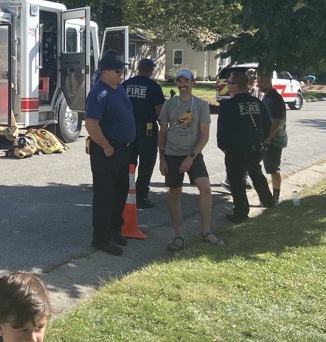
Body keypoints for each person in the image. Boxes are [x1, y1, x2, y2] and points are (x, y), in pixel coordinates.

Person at [157, 68, 224, 250]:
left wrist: (191, 157)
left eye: (186, 81)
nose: (183, 85)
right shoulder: (169, 105)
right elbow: (162, 131)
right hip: (171, 155)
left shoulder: (201, 106)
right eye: (179, 81)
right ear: (176, 84)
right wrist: (161, 158)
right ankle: (178, 236)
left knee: (205, 188)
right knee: (174, 193)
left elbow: (204, 136)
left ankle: (206, 231)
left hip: (193, 155)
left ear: (193, 83)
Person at [84, 52, 136, 255]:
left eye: (122, 69)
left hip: (123, 148)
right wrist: (106, 147)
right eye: (118, 70)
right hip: (107, 150)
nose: (122, 73)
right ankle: (100, 238)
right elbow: (91, 124)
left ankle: (115, 229)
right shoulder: (99, 93)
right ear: (105, 72)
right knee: (105, 195)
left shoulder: (118, 87)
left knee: (121, 191)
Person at [217, 69, 275, 223]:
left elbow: (223, 130)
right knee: (256, 174)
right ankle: (268, 201)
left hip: (235, 148)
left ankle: (241, 212)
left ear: (236, 86)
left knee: (236, 181)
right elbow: (267, 125)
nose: (227, 85)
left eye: (229, 82)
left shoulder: (228, 105)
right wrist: (261, 140)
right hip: (255, 146)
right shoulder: (258, 103)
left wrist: (223, 147)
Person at [121, 58, 165, 209]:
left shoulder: (125, 85)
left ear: (138, 68)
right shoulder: (153, 87)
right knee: (146, 163)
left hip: (128, 128)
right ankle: (141, 196)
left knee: (129, 161)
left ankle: (126, 192)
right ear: (151, 70)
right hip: (147, 129)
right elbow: (159, 112)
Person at [258, 72, 289, 205]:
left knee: (273, 169)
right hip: (268, 139)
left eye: (263, 82)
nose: (259, 84)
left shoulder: (275, 99)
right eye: (259, 81)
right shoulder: (267, 97)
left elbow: (276, 121)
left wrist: (269, 138)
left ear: (269, 82)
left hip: (274, 140)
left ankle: (275, 198)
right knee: (266, 167)